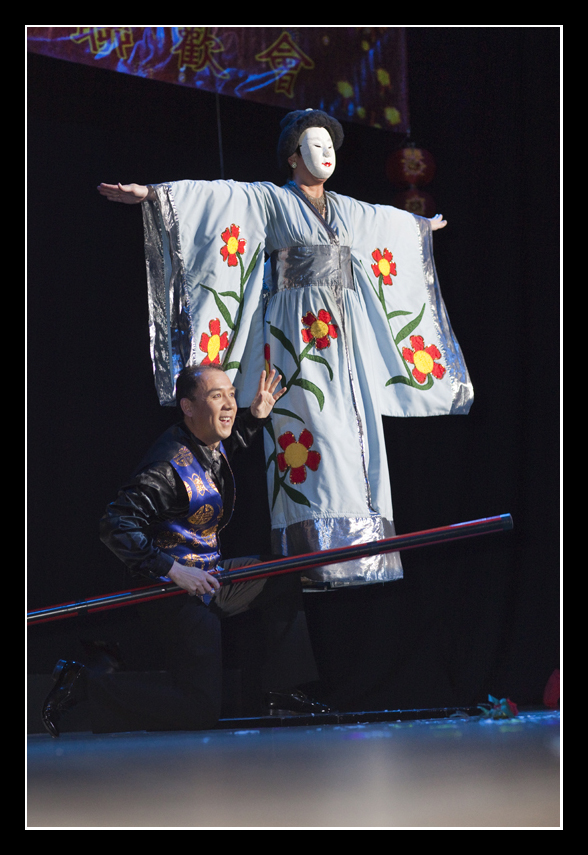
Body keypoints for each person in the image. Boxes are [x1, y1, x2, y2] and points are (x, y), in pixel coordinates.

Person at [97, 109, 473, 589]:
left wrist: (417, 230)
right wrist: (154, 194)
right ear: (294, 157)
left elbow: (382, 223)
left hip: (345, 337)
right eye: (316, 147)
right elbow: (220, 198)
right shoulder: (273, 201)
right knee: (312, 435)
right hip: (297, 334)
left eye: (331, 147)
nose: (327, 155)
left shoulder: (345, 209)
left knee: (358, 433)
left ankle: (363, 555)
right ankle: (316, 556)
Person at [42, 365, 327, 737]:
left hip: (210, 575)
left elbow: (230, 442)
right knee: (199, 711)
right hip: (168, 591)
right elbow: (114, 524)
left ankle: (281, 693)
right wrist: (173, 571)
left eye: (230, 393)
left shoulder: (204, 439)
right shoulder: (165, 467)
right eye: (216, 396)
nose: (228, 404)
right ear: (188, 407)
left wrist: (255, 417)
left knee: (281, 574)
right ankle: (82, 684)